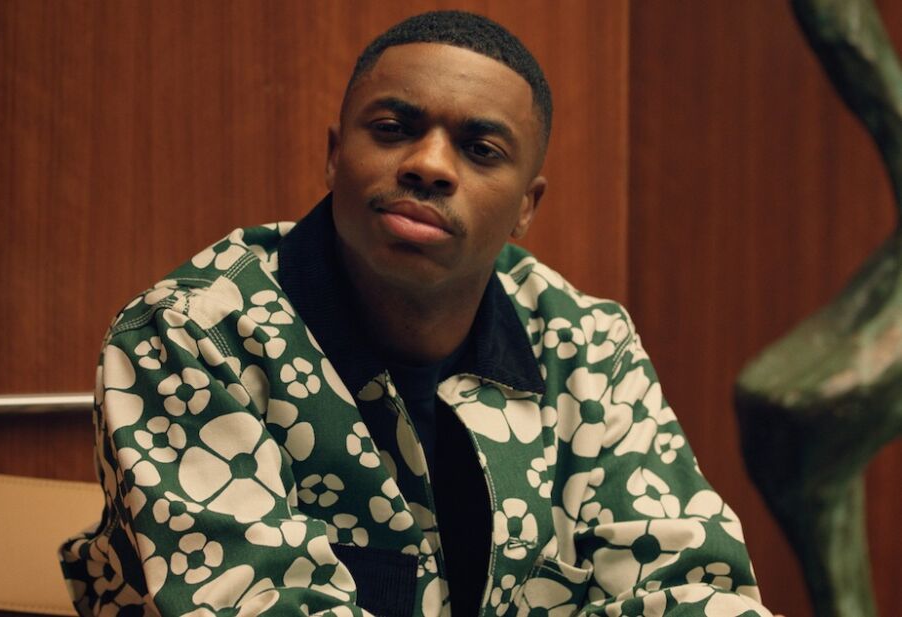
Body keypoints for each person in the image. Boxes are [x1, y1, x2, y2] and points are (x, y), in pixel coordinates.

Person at [60, 11, 773, 617]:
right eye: (393, 128)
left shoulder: (587, 344)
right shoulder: (192, 334)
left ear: (526, 206)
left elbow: (691, 589)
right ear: (335, 156)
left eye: (480, 149)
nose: (429, 165)